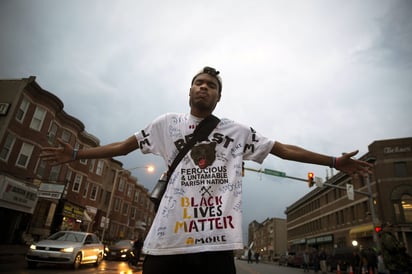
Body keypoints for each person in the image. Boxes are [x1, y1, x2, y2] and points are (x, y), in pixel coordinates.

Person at [40, 66, 372, 274]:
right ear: (189, 90)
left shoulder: (237, 131)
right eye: (199, 82)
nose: (203, 87)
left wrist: (332, 161)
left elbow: (282, 149)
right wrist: (75, 152)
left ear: (218, 97)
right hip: (167, 239)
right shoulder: (166, 124)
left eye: (211, 86)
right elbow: (123, 147)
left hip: (215, 243)